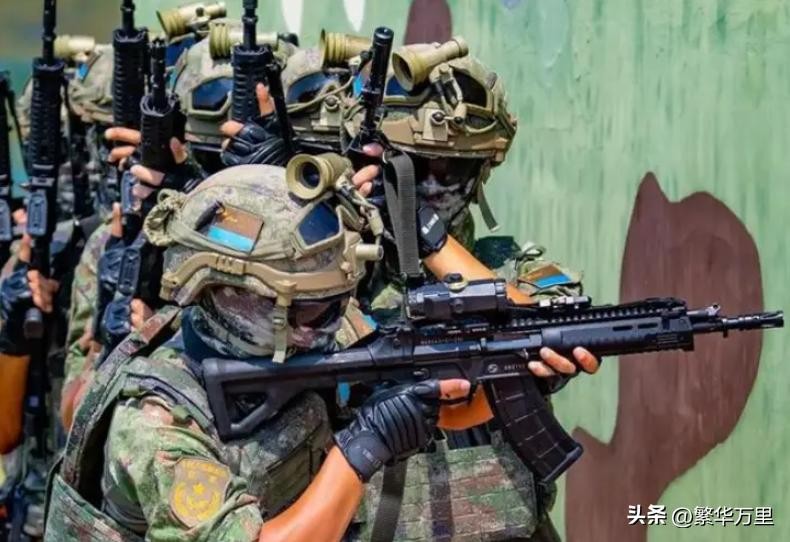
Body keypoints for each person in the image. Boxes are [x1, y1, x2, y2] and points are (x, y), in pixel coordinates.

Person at [44, 165, 485, 541]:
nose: (332, 323)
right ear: (228, 296)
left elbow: (452, 404)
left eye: (339, 300)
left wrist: (462, 385)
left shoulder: (306, 335)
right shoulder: (156, 421)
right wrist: (365, 445)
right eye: (311, 309)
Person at [339, 39, 597, 541]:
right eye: (414, 168)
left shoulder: (515, 271)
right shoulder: (330, 287)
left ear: (482, 170)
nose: (434, 187)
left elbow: (544, 327)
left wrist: (427, 238)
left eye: (450, 169)